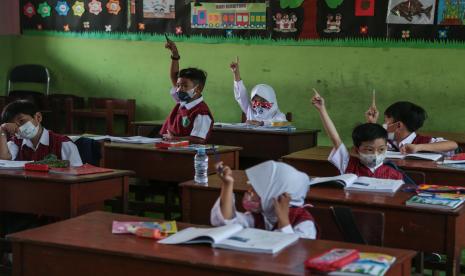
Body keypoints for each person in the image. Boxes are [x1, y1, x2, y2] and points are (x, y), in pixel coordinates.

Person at [211, 160, 317, 239]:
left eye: (256, 189)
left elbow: (293, 253)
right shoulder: (263, 216)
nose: (249, 191)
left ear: (276, 194)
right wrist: (228, 184)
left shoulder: (304, 223)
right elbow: (227, 222)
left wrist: (283, 220)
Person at [312, 89, 403, 179]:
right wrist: (322, 109)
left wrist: (372, 123)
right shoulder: (348, 165)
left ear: (386, 147)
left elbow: (375, 138)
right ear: (356, 150)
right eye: (369, 150)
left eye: (381, 149)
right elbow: (335, 139)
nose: (376, 155)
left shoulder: (395, 175)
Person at [159, 40, 214, 144]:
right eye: (178, 85)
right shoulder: (183, 101)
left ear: (198, 89)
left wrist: (174, 139)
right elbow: (174, 76)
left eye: (185, 86)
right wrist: (175, 55)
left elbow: (199, 139)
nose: (179, 89)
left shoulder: (201, 112)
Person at [0, 100, 82, 166]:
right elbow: (3, 162)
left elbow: (77, 176)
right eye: (13, 125)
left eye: (22, 121)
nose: (18, 128)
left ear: (38, 117)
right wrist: (2, 130)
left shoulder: (63, 144)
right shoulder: (15, 143)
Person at [230, 57, 287, 126]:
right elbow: (240, 95)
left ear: (271, 100)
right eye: (255, 101)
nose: (258, 105)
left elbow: (284, 123)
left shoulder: (278, 115)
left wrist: (262, 123)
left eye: (262, 101)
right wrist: (236, 73)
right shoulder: (250, 110)